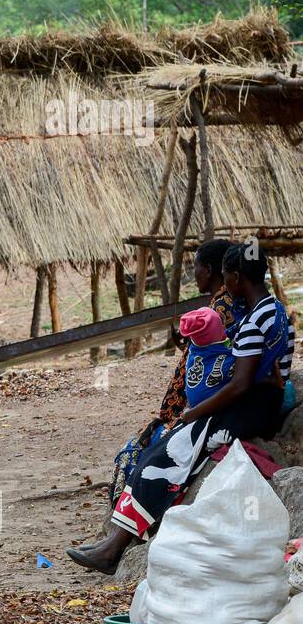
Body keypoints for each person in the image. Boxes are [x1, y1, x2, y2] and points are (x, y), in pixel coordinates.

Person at [68, 243, 294, 573]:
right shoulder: (275, 313)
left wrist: (193, 413)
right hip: (260, 404)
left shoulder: (252, 323)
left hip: (250, 409)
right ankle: (113, 542)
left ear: (234, 277)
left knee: (169, 454)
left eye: (227, 278)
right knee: (160, 449)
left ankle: (112, 549)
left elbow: (240, 384)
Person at [107, 239, 238, 498]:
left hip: (202, 412)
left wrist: (175, 416)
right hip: (204, 407)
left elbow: (202, 370)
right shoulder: (223, 306)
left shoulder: (218, 310)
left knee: (133, 453)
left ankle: (130, 520)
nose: (195, 273)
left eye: (197, 267)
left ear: (209, 270)